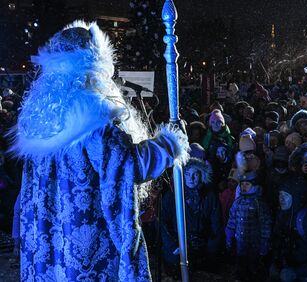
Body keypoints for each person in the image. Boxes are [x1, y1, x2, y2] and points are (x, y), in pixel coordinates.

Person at [10, 21, 188, 281]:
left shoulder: (38, 121)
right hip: (90, 251)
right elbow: (126, 166)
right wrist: (169, 144)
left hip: (51, 253)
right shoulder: (92, 118)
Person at [160, 157, 222, 277]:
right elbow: (162, 222)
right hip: (178, 244)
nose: (191, 179)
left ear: (201, 175)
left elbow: (216, 223)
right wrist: (173, 246)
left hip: (202, 243)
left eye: (195, 174)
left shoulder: (209, 196)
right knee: (176, 269)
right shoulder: (172, 195)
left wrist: (213, 245)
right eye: (187, 174)